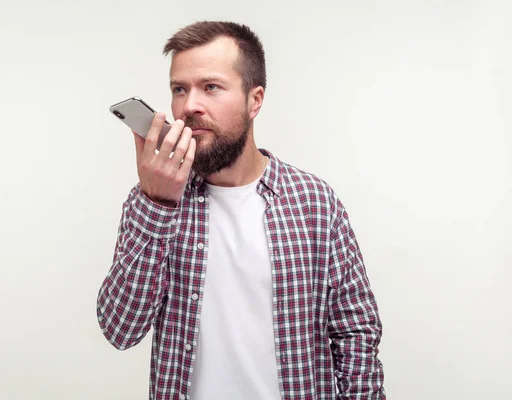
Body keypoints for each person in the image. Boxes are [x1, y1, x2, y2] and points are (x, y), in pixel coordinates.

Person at [97, 21, 386, 400]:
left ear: (255, 99)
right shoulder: (151, 201)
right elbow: (121, 330)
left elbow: (356, 332)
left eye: (211, 87)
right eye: (179, 89)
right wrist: (158, 204)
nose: (189, 106)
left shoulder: (314, 203)